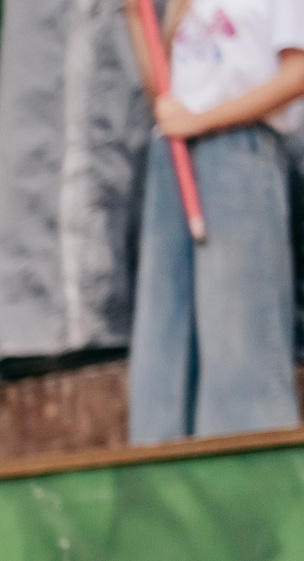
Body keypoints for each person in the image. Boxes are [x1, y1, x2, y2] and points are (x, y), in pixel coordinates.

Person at [127, 0, 304, 442]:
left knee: (238, 328)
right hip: (173, 156)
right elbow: (164, 95)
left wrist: (202, 120)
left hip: (241, 148)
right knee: (164, 331)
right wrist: (134, 16)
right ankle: (160, 468)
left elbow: (298, 74)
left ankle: (247, 475)